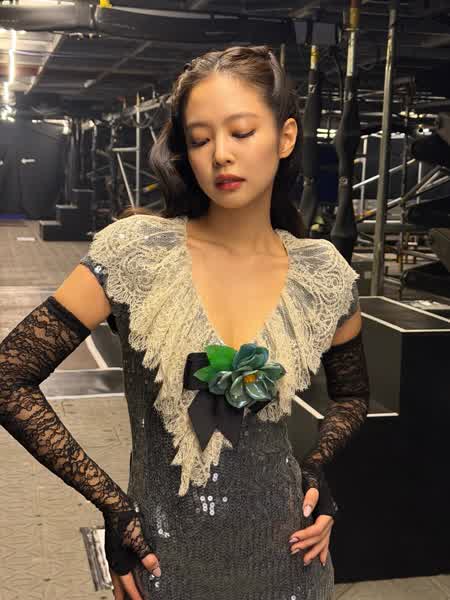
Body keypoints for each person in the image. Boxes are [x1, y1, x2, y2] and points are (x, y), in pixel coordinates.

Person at [0, 45, 369, 600]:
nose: (221, 154)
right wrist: (113, 505)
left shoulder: (323, 275)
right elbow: (9, 376)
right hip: (165, 565)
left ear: (286, 136)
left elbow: (353, 395)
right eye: (199, 139)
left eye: (241, 132)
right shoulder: (136, 254)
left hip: (290, 564)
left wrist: (317, 469)